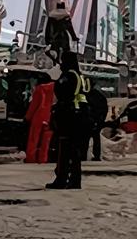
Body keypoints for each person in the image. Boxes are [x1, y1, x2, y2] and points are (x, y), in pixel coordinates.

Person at [48, 52, 90, 190]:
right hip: (78, 116)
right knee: (74, 151)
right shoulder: (79, 75)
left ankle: (62, 179)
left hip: (69, 116)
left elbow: (61, 92)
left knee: (65, 150)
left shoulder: (69, 76)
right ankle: (74, 180)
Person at [25, 82, 55, 164]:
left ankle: (31, 158)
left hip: (39, 116)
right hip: (50, 116)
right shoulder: (58, 88)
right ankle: (43, 158)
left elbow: (34, 104)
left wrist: (28, 117)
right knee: (46, 140)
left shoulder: (40, 88)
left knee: (33, 139)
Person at [84, 86, 108, 161]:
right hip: (97, 119)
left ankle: (83, 155)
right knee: (96, 138)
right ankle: (96, 155)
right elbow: (105, 109)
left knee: (86, 138)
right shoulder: (100, 96)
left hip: (89, 120)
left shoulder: (87, 96)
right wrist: (101, 120)